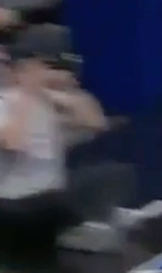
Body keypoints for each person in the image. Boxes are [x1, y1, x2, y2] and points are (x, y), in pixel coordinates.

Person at [0, 27, 135, 255]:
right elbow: (13, 142)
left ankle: (78, 228)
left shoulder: (52, 102)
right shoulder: (7, 102)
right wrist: (27, 95)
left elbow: (96, 122)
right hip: (11, 204)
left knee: (116, 173)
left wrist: (55, 93)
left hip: (49, 198)